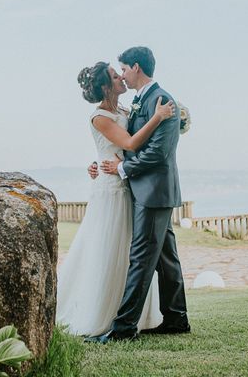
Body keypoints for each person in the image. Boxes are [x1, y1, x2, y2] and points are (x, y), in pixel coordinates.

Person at [56, 60, 175, 336]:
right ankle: (102, 313)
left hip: (126, 184)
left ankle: (131, 313)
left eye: (120, 72)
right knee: (107, 249)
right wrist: (158, 117)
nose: (121, 77)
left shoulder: (122, 109)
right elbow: (131, 143)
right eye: (114, 75)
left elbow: (122, 145)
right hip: (110, 188)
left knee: (129, 250)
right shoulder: (99, 117)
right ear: (104, 86)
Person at [86, 46, 190, 344]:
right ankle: (176, 318)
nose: (122, 75)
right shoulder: (140, 101)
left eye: (124, 69)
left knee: (141, 258)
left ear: (136, 67)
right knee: (166, 259)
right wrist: (102, 163)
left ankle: (124, 329)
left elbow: (158, 153)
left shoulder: (163, 101)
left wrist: (123, 167)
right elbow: (123, 141)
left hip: (153, 191)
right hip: (146, 191)